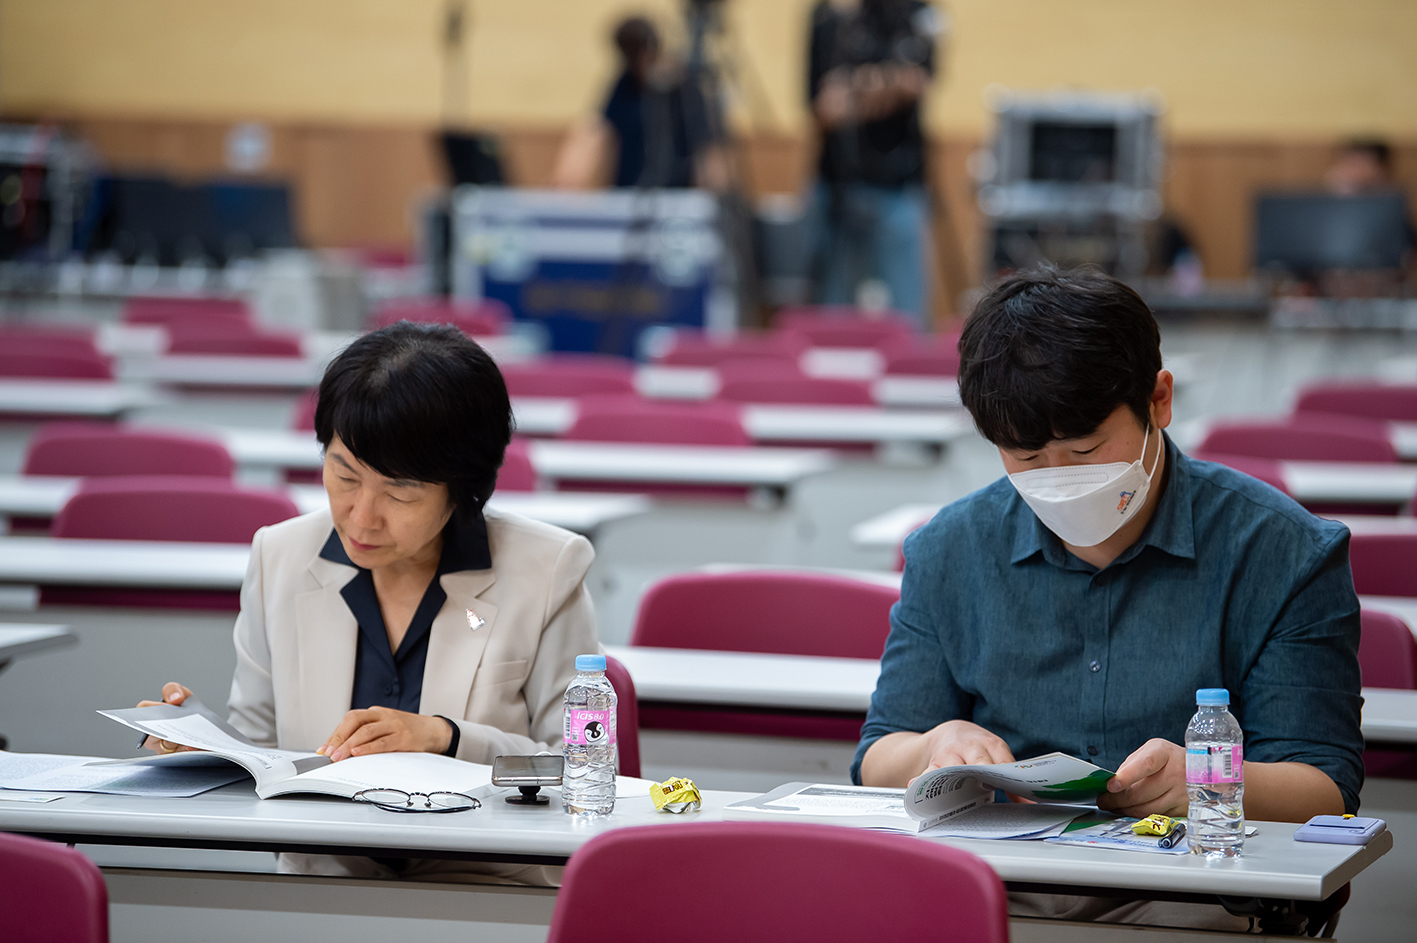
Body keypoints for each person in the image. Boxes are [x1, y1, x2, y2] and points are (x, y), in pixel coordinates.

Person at [854, 266, 1363, 926]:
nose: (1058, 480)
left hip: (1198, 889)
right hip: (1000, 889)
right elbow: (875, 760)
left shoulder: (1281, 551)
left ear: (1158, 400)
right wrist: (934, 747)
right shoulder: (949, 548)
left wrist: (1205, 780)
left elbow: (1325, 788)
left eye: (1084, 450)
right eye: (1025, 459)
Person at [139, 321, 599, 883]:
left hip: (486, 892)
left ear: (464, 488)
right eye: (344, 474)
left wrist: (447, 739)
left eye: (400, 492)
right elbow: (260, 751)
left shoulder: (545, 571)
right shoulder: (280, 556)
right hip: (323, 888)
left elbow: (582, 769)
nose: (361, 517)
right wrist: (191, 747)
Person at [805, 0, 944, 324]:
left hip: (900, 184)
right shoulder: (828, 16)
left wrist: (857, 88)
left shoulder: (915, 13)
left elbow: (918, 82)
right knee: (833, 312)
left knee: (907, 314)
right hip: (836, 185)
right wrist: (886, 87)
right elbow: (824, 107)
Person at [552, 16, 727, 191]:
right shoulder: (625, 86)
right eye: (630, 54)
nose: (638, 61)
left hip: (674, 203)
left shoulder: (684, 90)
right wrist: (568, 181)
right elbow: (595, 131)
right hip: (628, 196)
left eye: (641, 51)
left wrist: (716, 192)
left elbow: (709, 152)